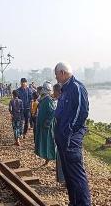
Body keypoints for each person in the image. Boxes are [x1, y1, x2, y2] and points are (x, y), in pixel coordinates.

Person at [54, 62, 90, 205]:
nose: (56, 78)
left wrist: (69, 132)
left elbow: (82, 112)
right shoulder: (65, 89)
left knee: (76, 173)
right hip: (63, 137)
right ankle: (73, 202)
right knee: (69, 174)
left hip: (71, 138)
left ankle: (83, 203)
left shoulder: (76, 87)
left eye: (56, 74)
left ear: (62, 73)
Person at [34, 81, 56, 165]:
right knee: (44, 141)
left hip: (47, 126)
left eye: (44, 89)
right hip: (42, 124)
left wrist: (47, 123)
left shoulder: (49, 100)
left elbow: (52, 113)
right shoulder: (43, 98)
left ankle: (50, 158)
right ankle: (46, 158)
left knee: (49, 142)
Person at [52, 83, 65, 184]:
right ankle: (63, 179)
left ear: (58, 91)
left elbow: (58, 116)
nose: (53, 93)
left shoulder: (61, 101)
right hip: (61, 132)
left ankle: (64, 179)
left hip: (63, 133)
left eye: (54, 91)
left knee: (62, 157)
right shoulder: (61, 101)